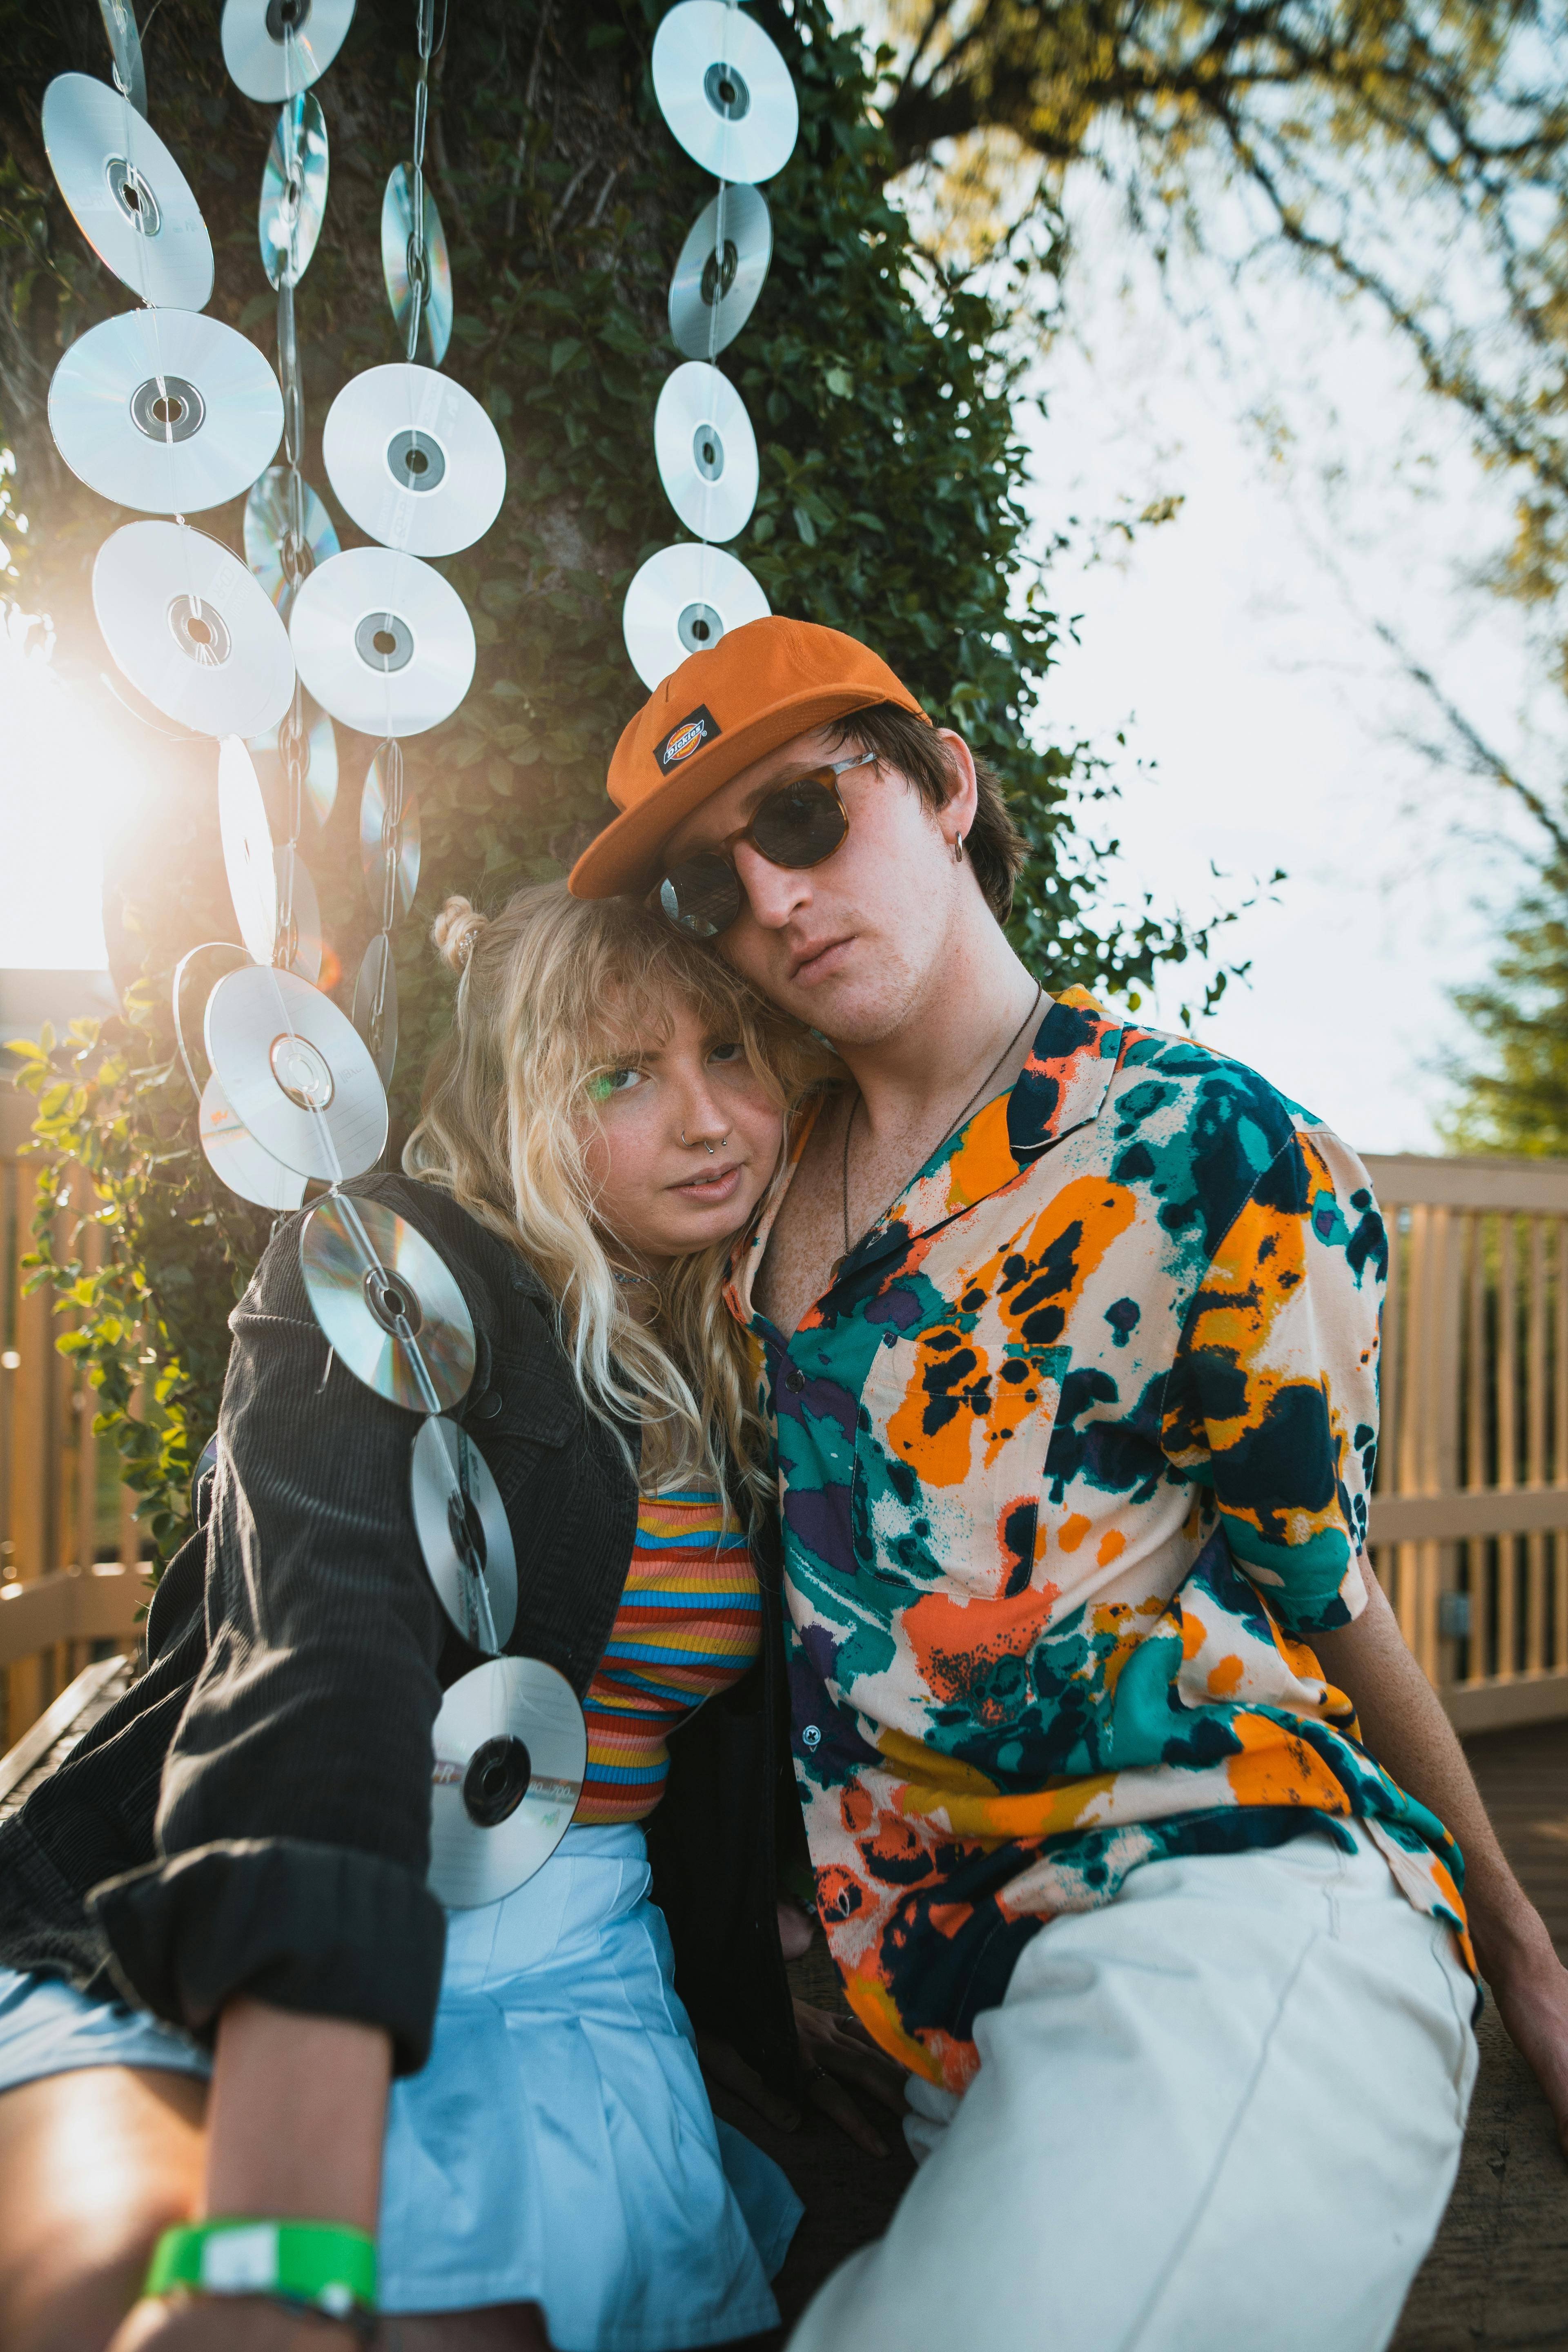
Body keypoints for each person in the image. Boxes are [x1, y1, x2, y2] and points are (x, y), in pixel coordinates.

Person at [569, 615, 1568, 2352]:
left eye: (807, 818)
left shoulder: (1205, 1151)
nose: (774, 898)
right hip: (947, 2023)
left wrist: (1529, 1957)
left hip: (1230, 1907)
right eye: (713, 890)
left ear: (947, 788)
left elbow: (1323, 1594)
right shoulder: (749, 1185)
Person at [0, 882, 894, 2352]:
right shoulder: (392, 1272)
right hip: (234, 1910)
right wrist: (285, 2247)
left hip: (579, 1979)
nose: (708, 1118)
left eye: (732, 1055)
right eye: (621, 1074)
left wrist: (790, 1956)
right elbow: (322, 1667)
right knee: (124, 2291)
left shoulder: (754, 1346)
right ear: (521, 1109)